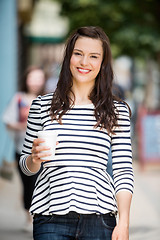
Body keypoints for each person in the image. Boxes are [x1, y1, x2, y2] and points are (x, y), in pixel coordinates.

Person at [20, 26, 134, 240]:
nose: (84, 62)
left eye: (93, 56)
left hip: (100, 219)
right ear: (68, 57)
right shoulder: (41, 105)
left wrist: (124, 223)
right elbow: (26, 168)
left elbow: (123, 171)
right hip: (49, 217)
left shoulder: (116, 110)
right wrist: (34, 159)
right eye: (78, 54)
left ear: (102, 63)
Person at [3, 66, 46, 231]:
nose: (35, 82)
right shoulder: (19, 99)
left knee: (39, 185)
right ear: (26, 79)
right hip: (21, 150)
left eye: (39, 78)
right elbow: (7, 121)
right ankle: (29, 218)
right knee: (27, 186)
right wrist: (24, 126)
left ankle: (38, 218)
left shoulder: (48, 100)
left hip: (43, 153)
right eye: (32, 78)